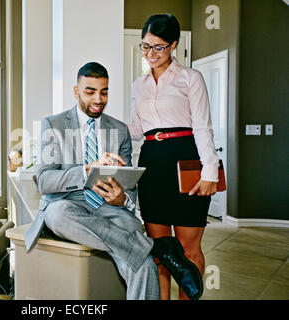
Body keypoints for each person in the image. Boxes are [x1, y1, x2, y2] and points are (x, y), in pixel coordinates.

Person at [24, 62, 203, 300]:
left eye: (104, 91)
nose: (98, 99)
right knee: (56, 214)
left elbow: (129, 185)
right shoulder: (53, 125)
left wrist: (122, 199)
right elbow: (45, 181)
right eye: (90, 91)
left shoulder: (119, 130)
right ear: (76, 91)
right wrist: (87, 170)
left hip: (109, 209)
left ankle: (147, 251)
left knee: (143, 265)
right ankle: (155, 247)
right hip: (68, 208)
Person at [128, 14, 219, 300]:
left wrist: (210, 173)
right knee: (161, 250)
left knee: (188, 248)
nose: (150, 54)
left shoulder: (191, 78)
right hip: (152, 164)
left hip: (186, 163)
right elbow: (138, 129)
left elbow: (203, 126)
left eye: (159, 47)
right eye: (145, 46)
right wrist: (101, 122)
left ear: (174, 45)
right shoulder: (138, 85)